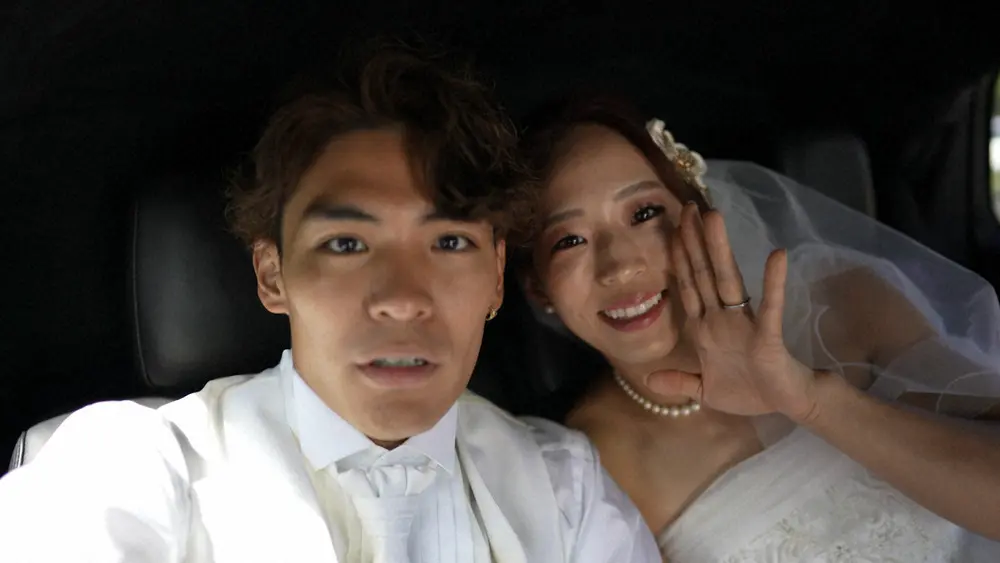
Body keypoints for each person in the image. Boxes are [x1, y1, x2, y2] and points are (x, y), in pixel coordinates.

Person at [0, 47, 662, 563]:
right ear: (272, 275)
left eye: (449, 241)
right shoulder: (129, 465)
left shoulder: (567, 489)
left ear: (495, 276)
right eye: (346, 244)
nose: (403, 300)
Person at [517, 94, 1000, 561]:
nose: (620, 265)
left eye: (644, 214)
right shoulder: (583, 471)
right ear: (539, 289)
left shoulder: (850, 303)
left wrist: (810, 400)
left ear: (699, 211)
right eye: (569, 241)